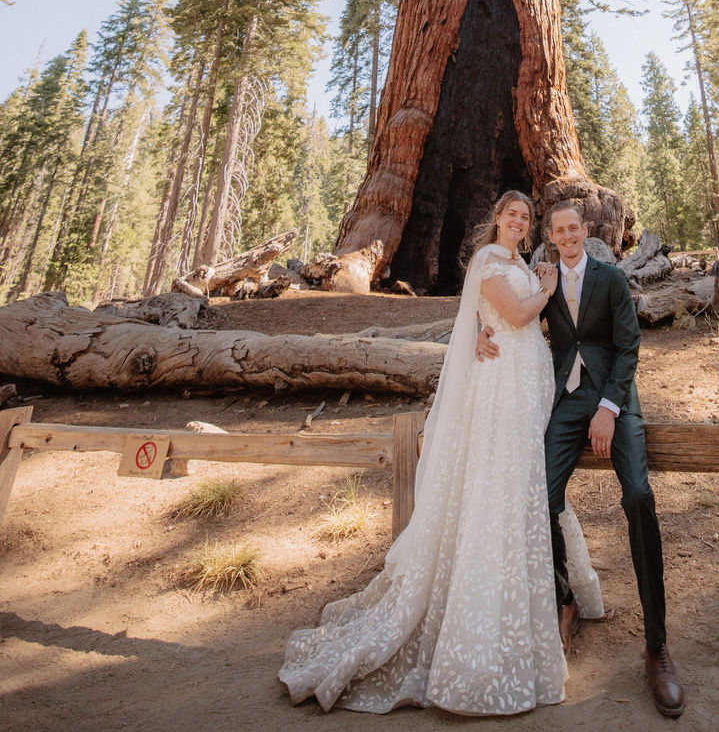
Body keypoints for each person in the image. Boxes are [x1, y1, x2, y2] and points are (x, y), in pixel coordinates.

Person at [278, 189, 601, 715]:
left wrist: (483, 325)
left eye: (525, 217)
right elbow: (517, 317)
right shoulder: (492, 259)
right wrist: (540, 292)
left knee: (530, 483)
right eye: (511, 215)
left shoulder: (518, 260)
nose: (519, 222)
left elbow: (487, 313)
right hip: (503, 387)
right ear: (496, 218)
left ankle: (551, 593)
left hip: (527, 380)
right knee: (502, 480)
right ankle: (485, 613)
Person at [478, 200, 685, 719]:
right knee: (541, 496)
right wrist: (484, 331)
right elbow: (513, 316)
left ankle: (657, 645)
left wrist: (611, 408)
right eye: (559, 231)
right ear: (549, 237)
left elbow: (629, 344)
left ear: (586, 231)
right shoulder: (540, 278)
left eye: (575, 228)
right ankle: (563, 598)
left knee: (638, 496)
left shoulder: (612, 278)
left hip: (616, 401)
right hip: (567, 402)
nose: (568, 236)